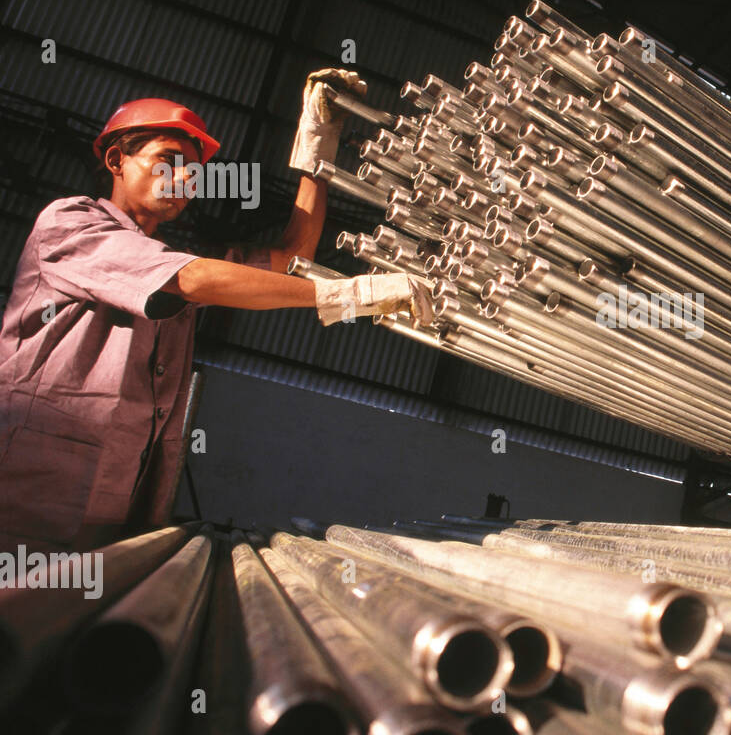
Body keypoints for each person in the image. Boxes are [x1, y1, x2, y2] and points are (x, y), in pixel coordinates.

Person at [0, 71, 434, 553]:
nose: (183, 179)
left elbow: (293, 259)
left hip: (118, 505)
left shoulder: (170, 257)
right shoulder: (70, 222)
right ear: (116, 159)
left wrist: (317, 144)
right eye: (168, 161)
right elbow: (192, 279)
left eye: (193, 172)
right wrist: (345, 294)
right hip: (27, 500)